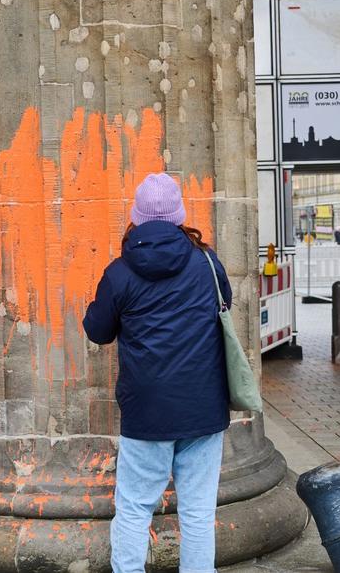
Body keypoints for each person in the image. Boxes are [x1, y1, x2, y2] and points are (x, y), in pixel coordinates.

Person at [83, 172, 231, 573]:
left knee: (133, 509)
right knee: (198, 512)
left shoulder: (119, 272)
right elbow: (225, 306)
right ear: (179, 215)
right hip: (203, 406)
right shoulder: (206, 262)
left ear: (138, 217)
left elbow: (98, 331)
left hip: (147, 411)